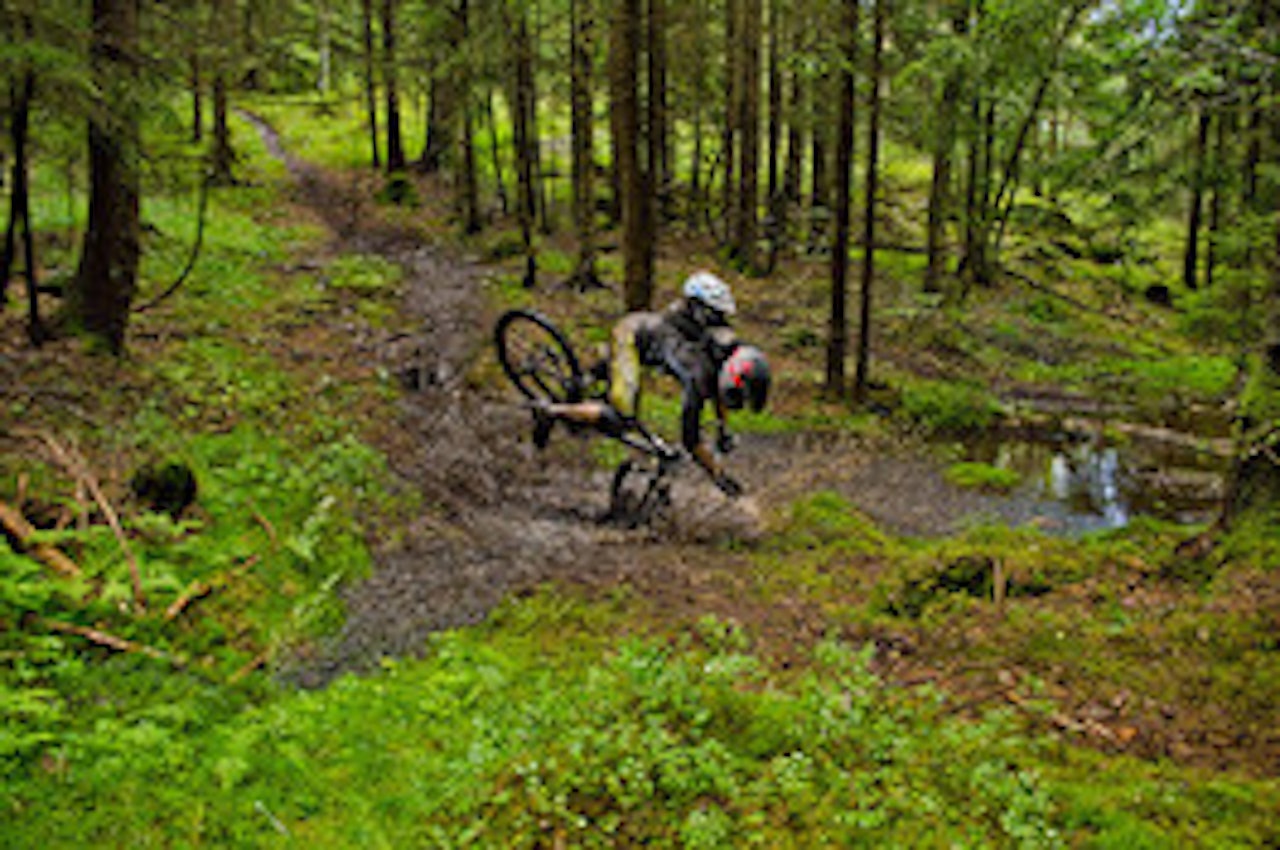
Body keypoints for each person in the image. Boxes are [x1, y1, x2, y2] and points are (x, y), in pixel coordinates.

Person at [530, 271, 771, 497]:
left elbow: (717, 393)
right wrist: (718, 475)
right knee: (620, 417)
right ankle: (549, 411)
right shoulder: (697, 373)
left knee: (614, 388)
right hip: (632, 338)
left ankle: (585, 385)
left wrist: (722, 428)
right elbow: (691, 440)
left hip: (649, 338)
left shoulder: (720, 347)